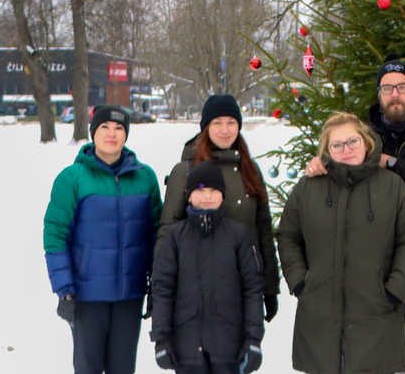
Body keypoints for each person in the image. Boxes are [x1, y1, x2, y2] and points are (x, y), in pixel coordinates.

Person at [307, 58, 405, 374]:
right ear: (379, 95)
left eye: (402, 87)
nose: (395, 94)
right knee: (372, 361)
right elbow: (337, 175)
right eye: (387, 88)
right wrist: (320, 165)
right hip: (375, 269)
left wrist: (393, 164)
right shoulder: (361, 139)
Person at [280, 113, 405, 374]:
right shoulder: (307, 188)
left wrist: (395, 290)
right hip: (319, 319)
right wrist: (301, 282)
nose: (346, 150)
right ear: (327, 150)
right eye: (337, 145)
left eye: (352, 142)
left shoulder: (393, 187)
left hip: (376, 315)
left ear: (366, 142)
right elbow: (288, 235)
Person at [44, 105, 164, 374]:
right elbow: (56, 236)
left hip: (130, 294)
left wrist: (158, 284)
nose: (112, 134)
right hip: (87, 296)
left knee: (123, 368)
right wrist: (65, 290)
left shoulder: (145, 178)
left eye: (119, 128)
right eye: (105, 127)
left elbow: (157, 234)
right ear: (93, 132)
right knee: (88, 367)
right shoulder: (73, 178)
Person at [160, 94, 280, 322]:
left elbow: (263, 229)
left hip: (244, 286)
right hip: (195, 290)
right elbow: (167, 231)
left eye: (231, 122)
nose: (225, 130)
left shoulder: (250, 170)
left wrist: (270, 286)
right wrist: (160, 290)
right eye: (217, 123)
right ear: (206, 127)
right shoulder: (186, 170)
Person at [148, 161, 265, 374]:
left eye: (214, 190)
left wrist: (253, 339)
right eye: (201, 190)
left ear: (223, 195)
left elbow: (252, 289)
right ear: (189, 195)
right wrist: (161, 339)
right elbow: (163, 288)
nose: (207, 196)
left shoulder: (239, 235)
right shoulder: (175, 236)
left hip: (229, 348)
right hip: (187, 348)